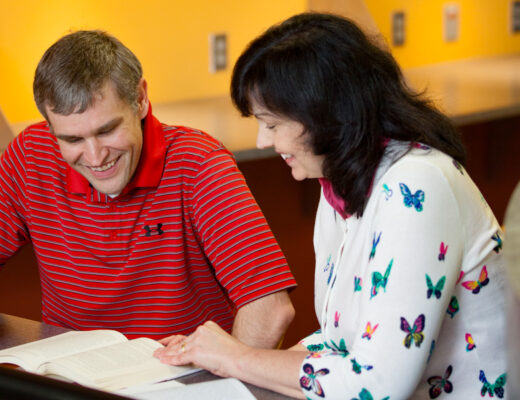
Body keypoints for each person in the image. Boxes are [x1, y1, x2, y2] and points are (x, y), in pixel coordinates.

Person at [155, 12, 508, 399]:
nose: (261, 141)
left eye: (271, 125)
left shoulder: (417, 186)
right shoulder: (340, 183)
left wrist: (236, 358)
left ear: (325, 116)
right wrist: (220, 358)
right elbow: (342, 343)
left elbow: (374, 387)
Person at [0, 30, 296, 348]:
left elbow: (269, 307)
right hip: (67, 379)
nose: (95, 156)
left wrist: (225, 382)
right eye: (72, 138)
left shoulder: (199, 164)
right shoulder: (31, 154)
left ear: (140, 99)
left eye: (106, 130)